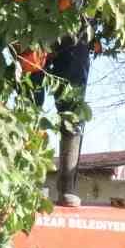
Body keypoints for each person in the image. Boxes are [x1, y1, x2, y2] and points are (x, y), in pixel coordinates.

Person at [32, 25, 93, 207]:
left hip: (77, 26)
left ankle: (67, 187)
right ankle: (26, 181)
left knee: (73, 106)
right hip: (36, 18)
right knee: (29, 101)